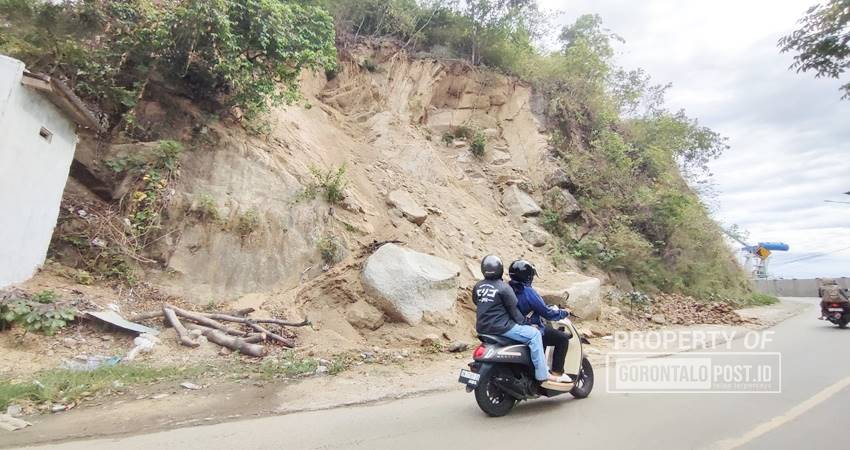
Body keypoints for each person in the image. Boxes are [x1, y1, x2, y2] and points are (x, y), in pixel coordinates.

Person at [473, 255, 571, 389]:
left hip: (482, 328)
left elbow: (476, 302)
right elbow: (515, 313)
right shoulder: (505, 288)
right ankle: (543, 375)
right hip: (502, 327)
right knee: (536, 334)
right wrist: (528, 322)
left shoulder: (478, 286)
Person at [508, 260, 572, 381]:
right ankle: (557, 373)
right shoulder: (528, 292)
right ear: (528, 276)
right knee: (562, 339)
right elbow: (547, 313)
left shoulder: (508, 288)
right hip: (530, 327)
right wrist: (564, 312)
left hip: (513, 328)